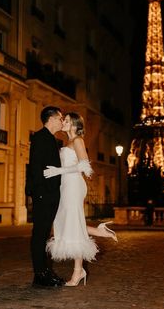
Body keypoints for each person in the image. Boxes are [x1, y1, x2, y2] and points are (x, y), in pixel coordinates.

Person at [44, 112, 118, 287]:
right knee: (66, 222)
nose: (64, 122)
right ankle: (98, 231)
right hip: (65, 185)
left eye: (67, 120)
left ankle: (78, 271)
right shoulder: (67, 141)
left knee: (71, 222)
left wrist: (58, 171)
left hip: (74, 185)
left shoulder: (77, 140)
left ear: (75, 125)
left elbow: (84, 165)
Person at [25, 106, 65, 287]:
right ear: (51, 118)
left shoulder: (50, 139)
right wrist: (40, 194)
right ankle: (40, 274)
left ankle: (44, 271)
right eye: (60, 118)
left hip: (49, 194)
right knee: (40, 235)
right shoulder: (41, 137)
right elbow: (35, 167)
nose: (62, 121)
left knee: (43, 234)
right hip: (44, 195)